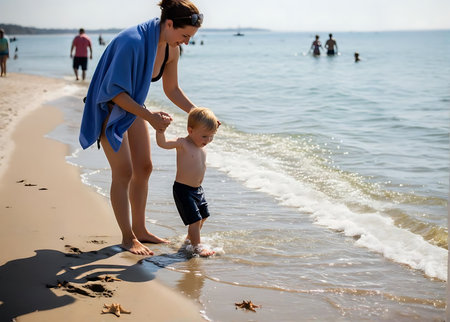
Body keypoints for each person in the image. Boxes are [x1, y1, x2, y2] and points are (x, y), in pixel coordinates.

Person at [79, 0, 203, 256]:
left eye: (190, 38)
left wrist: (198, 113)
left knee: (144, 167)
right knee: (123, 171)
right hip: (109, 105)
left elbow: (172, 89)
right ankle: (127, 237)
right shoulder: (132, 41)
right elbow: (113, 92)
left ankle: (141, 228)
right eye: (185, 35)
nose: (187, 42)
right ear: (168, 24)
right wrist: (149, 116)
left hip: (133, 104)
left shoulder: (171, 49)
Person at [156, 107, 218, 257]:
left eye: (211, 136)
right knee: (195, 220)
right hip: (183, 190)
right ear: (190, 130)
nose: (208, 140)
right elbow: (163, 144)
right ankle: (197, 246)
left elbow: (207, 129)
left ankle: (190, 238)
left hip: (198, 189)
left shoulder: (201, 145)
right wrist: (160, 131)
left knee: (203, 216)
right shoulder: (183, 143)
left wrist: (211, 127)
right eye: (204, 136)